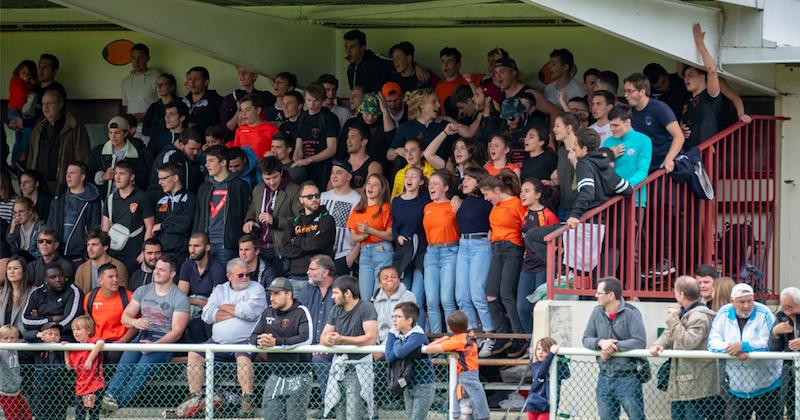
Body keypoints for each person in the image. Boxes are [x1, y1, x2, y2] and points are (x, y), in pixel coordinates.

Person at [174, 258, 267, 417]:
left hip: (244, 342)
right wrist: (235, 312)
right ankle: (195, 397)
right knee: (194, 353)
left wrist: (225, 309)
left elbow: (252, 312)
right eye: (240, 275)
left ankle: (248, 400)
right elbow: (207, 314)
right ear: (229, 276)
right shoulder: (220, 290)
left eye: (248, 274)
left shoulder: (256, 289)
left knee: (243, 358)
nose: (245, 278)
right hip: (217, 342)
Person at [101, 255, 190, 412]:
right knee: (124, 367)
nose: (157, 272)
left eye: (162, 270)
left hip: (163, 342)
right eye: (156, 268)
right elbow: (125, 317)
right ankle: (110, 398)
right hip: (142, 336)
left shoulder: (180, 298)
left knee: (140, 372)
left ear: (172, 274)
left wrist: (155, 346)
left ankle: (115, 405)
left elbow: (176, 332)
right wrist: (135, 322)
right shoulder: (143, 290)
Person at [708, 283, 782, 418]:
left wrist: (745, 346)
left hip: (768, 386)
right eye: (742, 302)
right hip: (737, 389)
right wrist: (732, 349)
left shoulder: (764, 312)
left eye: (750, 301)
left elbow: (771, 344)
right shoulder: (723, 313)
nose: (746, 305)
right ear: (732, 302)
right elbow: (712, 343)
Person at [649, 276, 718, 419]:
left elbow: (689, 342)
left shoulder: (700, 316)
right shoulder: (683, 311)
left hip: (696, 385)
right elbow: (670, 333)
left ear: (681, 294)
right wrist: (658, 344)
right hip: (680, 383)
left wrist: (673, 319)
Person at [582, 277, 646, 420]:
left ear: (611, 295)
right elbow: (586, 338)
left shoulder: (631, 312)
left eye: (599, 292)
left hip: (628, 377)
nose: (595, 295)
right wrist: (601, 343)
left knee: (637, 417)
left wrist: (614, 347)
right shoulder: (596, 312)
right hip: (604, 377)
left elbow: (640, 341)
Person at [250, 277, 313, 420]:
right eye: (270, 294)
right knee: (271, 416)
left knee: (295, 417)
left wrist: (276, 343)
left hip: (299, 374)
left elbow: (306, 338)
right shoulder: (267, 312)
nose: (271, 298)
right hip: (276, 374)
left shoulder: (301, 311)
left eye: (276, 294)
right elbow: (252, 336)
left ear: (289, 294)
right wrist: (262, 341)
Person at [479, 171, 527, 356]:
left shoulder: (516, 203)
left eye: (487, 194)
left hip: (512, 249)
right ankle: (502, 335)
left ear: (497, 190)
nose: (486, 198)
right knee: (490, 293)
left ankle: (519, 336)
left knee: (506, 293)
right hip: (497, 249)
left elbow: (524, 226)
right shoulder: (496, 206)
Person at [320, 275, 379, 420]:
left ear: (348, 293)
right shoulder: (335, 309)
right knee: (339, 413)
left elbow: (371, 338)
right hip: (338, 365)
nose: (332, 297)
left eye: (335, 293)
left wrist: (341, 339)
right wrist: (329, 339)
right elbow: (323, 337)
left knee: (353, 414)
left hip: (358, 367)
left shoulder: (366, 307)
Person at [423, 310, 490, 420]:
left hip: (465, 381)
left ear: (449, 327)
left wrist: (443, 339)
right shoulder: (469, 337)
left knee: (461, 414)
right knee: (477, 413)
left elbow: (428, 349)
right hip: (474, 378)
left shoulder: (457, 341)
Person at [454, 168, 494, 351]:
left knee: (478, 293)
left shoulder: (487, 202)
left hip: (480, 244)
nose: (465, 181)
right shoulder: (462, 200)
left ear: (479, 181)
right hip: (463, 244)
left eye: (470, 178)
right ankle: (473, 333)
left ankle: (489, 334)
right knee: (462, 295)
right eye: (465, 179)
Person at [193, 145, 251, 266]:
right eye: (206, 161)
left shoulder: (239, 185)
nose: (207, 165)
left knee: (225, 282)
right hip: (205, 244)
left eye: (211, 161)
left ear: (223, 162)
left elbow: (246, 213)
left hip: (228, 245)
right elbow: (198, 217)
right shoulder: (204, 187)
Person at [243, 156, 301, 276]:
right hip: (259, 247)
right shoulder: (258, 189)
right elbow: (252, 211)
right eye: (267, 178)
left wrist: (275, 221)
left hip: (279, 248)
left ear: (281, 172)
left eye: (275, 177)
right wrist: (249, 221)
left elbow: (300, 220)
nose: (271, 182)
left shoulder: (294, 190)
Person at [26, 89, 90, 193]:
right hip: (39, 185)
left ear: (60, 104)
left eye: (50, 103)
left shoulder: (74, 126)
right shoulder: (38, 128)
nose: (46, 107)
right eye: (43, 104)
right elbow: (31, 156)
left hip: (64, 184)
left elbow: (83, 157)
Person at [518, 178, 559, 335]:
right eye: (521, 191)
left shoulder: (548, 215)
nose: (522, 194)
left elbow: (558, 242)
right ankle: (531, 342)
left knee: (540, 306)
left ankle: (541, 343)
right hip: (527, 265)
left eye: (527, 191)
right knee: (522, 307)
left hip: (543, 265)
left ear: (538, 195)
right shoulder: (523, 213)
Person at [391, 166, 429, 328]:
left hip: (420, 250)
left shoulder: (425, 200)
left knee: (417, 295)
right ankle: (407, 331)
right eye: (407, 176)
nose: (409, 179)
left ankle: (418, 331)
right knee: (405, 296)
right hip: (403, 251)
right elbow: (393, 225)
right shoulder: (397, 201)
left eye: (414, 176)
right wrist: (396, 236)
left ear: (421, 182)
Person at [623, 72, 684, 174]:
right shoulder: (631, 113)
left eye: (629, 91)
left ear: (642, 92)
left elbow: (679, 136)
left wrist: (669, 159)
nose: (626, 95)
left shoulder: (660, 108)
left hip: (667, 169)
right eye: (625, 91)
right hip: (648, 168)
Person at [100, 160, 155, 273]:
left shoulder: (142, 197)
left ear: (132, 177)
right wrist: (102, 252)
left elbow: (150, 227)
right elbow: (105, 229)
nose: (117, 177)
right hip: (113, 253)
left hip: (133, 255)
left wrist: (145, 252)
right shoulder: (110, 199)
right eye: (116, 173)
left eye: (122, 173)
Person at [384, 301, 435, 420]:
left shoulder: (417, 335)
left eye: (398, 317)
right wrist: (392, 333)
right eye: (393, 317)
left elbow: (400, 353)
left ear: (409, 320)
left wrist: (396, 341)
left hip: (423, 385)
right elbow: (389, 357)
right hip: (408, 385)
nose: (394, 320)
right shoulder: (399, 334)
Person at [422, 170, 459, 333]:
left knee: (447, 300)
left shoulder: (454, 204)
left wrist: (458, 198)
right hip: (431, 252)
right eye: (430, 184)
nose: (431, 186)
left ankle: (451, 342)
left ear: (445, 187)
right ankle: (437, 341)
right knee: (431, 301)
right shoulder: (427, 207)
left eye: (435, 183)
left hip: (449, 251)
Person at [282, 182, 336, 293]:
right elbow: (285, 249)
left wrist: (296, 241)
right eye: (310, 196)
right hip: (294, 278)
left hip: (318, 279)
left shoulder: (327, 219)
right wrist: (309, 247)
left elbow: (318, 244)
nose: (314, 199)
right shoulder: (293, 222)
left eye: (317, 196)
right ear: (301, 200)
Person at [347, 173, 393, 299]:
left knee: (380, 295)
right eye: (368, 183)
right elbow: (354, 236)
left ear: (381, 189)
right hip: (365, 251)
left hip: (381, 250)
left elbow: (390, 235)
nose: (370, 187)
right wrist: (363, 236)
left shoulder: (385, 208)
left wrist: (370, 230)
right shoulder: (358, 208)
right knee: (365, 296)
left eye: (375, 184)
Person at [178, 232, 226, 344]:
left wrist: (195, 300)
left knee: (196, 324)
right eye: (190, 246)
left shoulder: (217, 268)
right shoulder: (187, 265)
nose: (192, 250)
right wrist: (197, 301)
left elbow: (215, 304)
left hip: (210, 313)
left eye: (196, 246)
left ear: (207, 247)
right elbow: (180, 296)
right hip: (189, 309)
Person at [83, 262, 136, 364]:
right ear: (100, 281)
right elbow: (87, 321)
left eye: (116, 276)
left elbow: (136, 325)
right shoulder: (90, 297)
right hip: (97, 342)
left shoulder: (129, 297)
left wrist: (122, 341)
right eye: (110, 277)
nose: (115, 280)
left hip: (119, 343)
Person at [681, 23, 723, 150]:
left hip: (707, 154)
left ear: (702, 77)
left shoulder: (710, 96)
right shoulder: (686, 102)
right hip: (689, 154)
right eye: (685, 76)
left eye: (691, 75)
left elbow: (712, 70)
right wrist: (680, 129)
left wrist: (700, 44)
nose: (686, 78)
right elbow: (681, 123)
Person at [86, 116, 150, 197]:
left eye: (117, 133)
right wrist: (103, 176)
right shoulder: (98, 152)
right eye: (110, 132)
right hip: (102, 199)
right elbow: (88, 174)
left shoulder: (137, 154)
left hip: (128, 200)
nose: (113, 136)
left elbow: (143, 180)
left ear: (126, 133)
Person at [293, 82, 340, 189]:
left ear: (323, 100)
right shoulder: (302, 117)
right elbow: (298, 148)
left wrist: (309, 160)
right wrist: (295, 165)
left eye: (316, 101)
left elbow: (332, 149)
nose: (312, 104)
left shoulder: (329, 117)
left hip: (324, 168)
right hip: (304, 168)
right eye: (309, 100)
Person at [21, 262, 84, 342]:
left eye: (61, 276)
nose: (58, 280)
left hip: (63, 338)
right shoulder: (37, 292)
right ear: (45, 280)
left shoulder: (73, 291)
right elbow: (26, 321)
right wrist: (51, 319)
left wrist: (49, 331)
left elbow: (70, 321)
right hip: (41, 336)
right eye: (53, 277)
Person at [321, 160, 361, 276]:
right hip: (322, 257)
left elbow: (360, 232)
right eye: (332, 172)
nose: (334, 176)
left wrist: (350, 258)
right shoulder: (323, 197)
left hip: (344, 256)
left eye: (339, 173)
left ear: (349, 176)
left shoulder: (357, 200)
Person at [152, 162, 197, 260]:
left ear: (175, 178)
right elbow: (155, 230)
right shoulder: (161, 202)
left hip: (182, 253)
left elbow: (184, 225)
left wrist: (163, 225)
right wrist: (171, 223)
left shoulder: (190, 198)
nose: (160, 182)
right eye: (159, 179)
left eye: (163, 178)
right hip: (163, 253)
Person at [65, 315, 106, 420]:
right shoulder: (75, 348)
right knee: (79, 416)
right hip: (80, 387)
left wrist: (90, 359)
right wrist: (66, 349)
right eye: (73, 330)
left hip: (94, 386)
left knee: (93, 415)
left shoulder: (92, 341)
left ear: (88, 330)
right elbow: (69, 366)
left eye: (78, 329)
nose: (75, 332)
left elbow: (101, 342)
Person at [220, 66, 276, 141]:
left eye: (245, 72)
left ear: (254, 76)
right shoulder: (229, 99)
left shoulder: (264, 96)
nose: (241, 75)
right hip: (236, 145)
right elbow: (226, 131)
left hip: (259, 141)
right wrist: (239, 111)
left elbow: (281, 100)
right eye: (239, 72)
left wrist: (275, 85)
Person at [769, 287, 800, 420]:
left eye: (791, 307)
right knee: (792, 408)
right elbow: (774, 349)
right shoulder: (781, 317)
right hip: (790, 373)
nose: (787, 312)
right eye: (784, 307)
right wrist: (775, 333)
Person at [31, 322, 68, 420]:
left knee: (59, 415)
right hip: (41, 389)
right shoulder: (38, 346)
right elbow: (26, 335)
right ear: (43, 335)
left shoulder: (61, 348)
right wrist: (37, 334)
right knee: (41, 415)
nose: (53, 337)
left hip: (58, 390)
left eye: (56, 334)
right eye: (50, 334)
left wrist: (66, 347)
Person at [74, 229, 129, 295]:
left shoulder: (118, 267)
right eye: (88, 245)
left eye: (94, 245)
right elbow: (77, 295)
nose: (89, 249)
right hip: (87, 304)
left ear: (105, 247)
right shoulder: (82, 269)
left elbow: (122, 295)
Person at [524, 337, 568, 420]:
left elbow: (566, 374)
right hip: (534, 404)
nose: (540, 352)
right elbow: (541, 372)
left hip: (548, 407)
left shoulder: (555, 367)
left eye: (545, 350)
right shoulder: (535, 366)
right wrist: (551, 354)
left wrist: (560, 354)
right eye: (538, 349)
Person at [372, 265, 416, 344]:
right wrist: (375, 345)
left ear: (399, 280)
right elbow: (372, 325)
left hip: (400, 341)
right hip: (376, 343)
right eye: (385, 278)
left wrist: (382, 348)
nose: (390, 279)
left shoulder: (408, 297)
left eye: (393, 276)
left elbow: (403, 325)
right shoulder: (375, 299)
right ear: (380, 283)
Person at [228, 93, 279, 159]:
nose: (244, 114)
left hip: (263, 167)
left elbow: (278, 152)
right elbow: (236, 153)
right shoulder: (240, 129)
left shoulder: (272, 130)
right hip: (245, 168)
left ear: (258, 110)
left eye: (247, 110)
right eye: (242, 110)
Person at [6, 60, 37, 169]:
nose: (25, 75)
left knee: (18, 138)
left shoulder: (24, 84)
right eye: (23, 72)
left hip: (19, 112)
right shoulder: (16, 82)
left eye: (28, 74)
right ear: (18, 72)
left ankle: (14, 164)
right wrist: (32, 86)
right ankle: (22, 156)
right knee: (28, 131)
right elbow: (22, 95)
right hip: (15, 111)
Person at [0, 325, 33, 420]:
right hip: (5, 393)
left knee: (27, 416)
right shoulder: (2, 351)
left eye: (12, 338)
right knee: (12, 417)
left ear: (17, 339)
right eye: (5, 338)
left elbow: (29, 338)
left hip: (17, 391)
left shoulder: (16, 347)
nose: (9, 341)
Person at [435, 47, 481, 115]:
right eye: (443, 61)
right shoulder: (439, 87)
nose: (445, 65)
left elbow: (481, 102)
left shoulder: (468, 80)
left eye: (450, 61)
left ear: (458, 65)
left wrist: (471, 82)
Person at [181, 66, 223, 135]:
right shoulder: (182, 102)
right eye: (190, 79)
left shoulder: (217, 101)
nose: (192, 82)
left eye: (196, 79)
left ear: (206, 82)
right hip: (184, 143)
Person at [1, 257, 36, 335]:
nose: (12, 272)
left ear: (23, 272)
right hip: (3, 341)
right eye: (9, 269)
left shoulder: (34, 292)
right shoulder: (1, 293)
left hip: (23, 340)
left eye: (16, 268)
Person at [342, 125, 383, 191]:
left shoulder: (374, 166)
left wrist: (340, 191)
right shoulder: (340, 164)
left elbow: (368, 191)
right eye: (348, 137)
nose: (348, 141)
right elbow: (329, 189)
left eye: (352, 137)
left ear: (364, 142)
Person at [6, 197, 45, 261]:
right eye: (15, 212)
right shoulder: (14, 228)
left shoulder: (41, 228)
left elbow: (40, 253)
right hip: (17, 264)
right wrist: (11, 232)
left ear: (30, 211)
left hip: (34, 263)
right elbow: (11, 251)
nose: (18, 215)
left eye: (21, 211)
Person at [142, 73, 179, 140]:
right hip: (156, 143)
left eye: (163, 84)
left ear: (172, 87)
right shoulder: (153, 107)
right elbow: (145, 130)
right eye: (157, 84)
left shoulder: (180, 104)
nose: (159, 87)